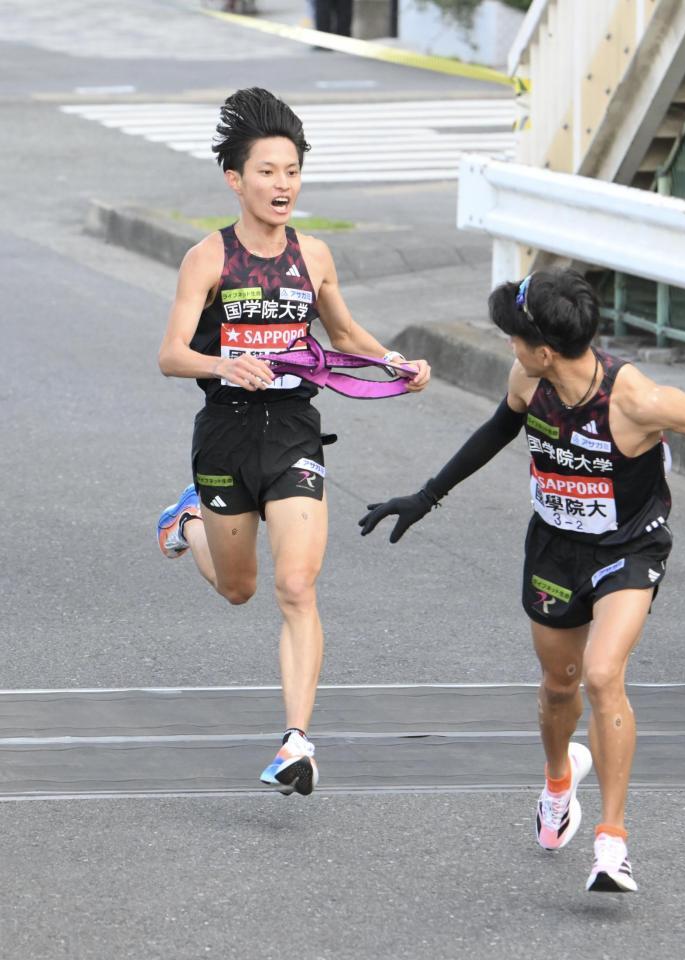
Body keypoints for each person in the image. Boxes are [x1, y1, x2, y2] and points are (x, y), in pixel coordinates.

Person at [360, 268, 685, 892]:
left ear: (546, 348)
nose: (509, 345)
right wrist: (426, 497)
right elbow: (502, 426)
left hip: (628, 548)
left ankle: (612, 844)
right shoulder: (529, 377)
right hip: (555, 550)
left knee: (605, 675)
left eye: (515, 336)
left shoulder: (635, 399)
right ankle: (559, 781)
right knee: (561, 686)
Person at [155, 87, 430, 796]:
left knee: (296, 583)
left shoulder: (312, 255)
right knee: (241, 589)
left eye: (291, 171)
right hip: (224, 432)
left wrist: (393, 362)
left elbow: (343, 336)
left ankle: (296, 743)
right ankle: (188, 519)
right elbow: (170, 354)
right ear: (235, 179)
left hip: (294, 433)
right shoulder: (206, 259)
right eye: (268, 172)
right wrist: (223, 363)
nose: (282, 185)